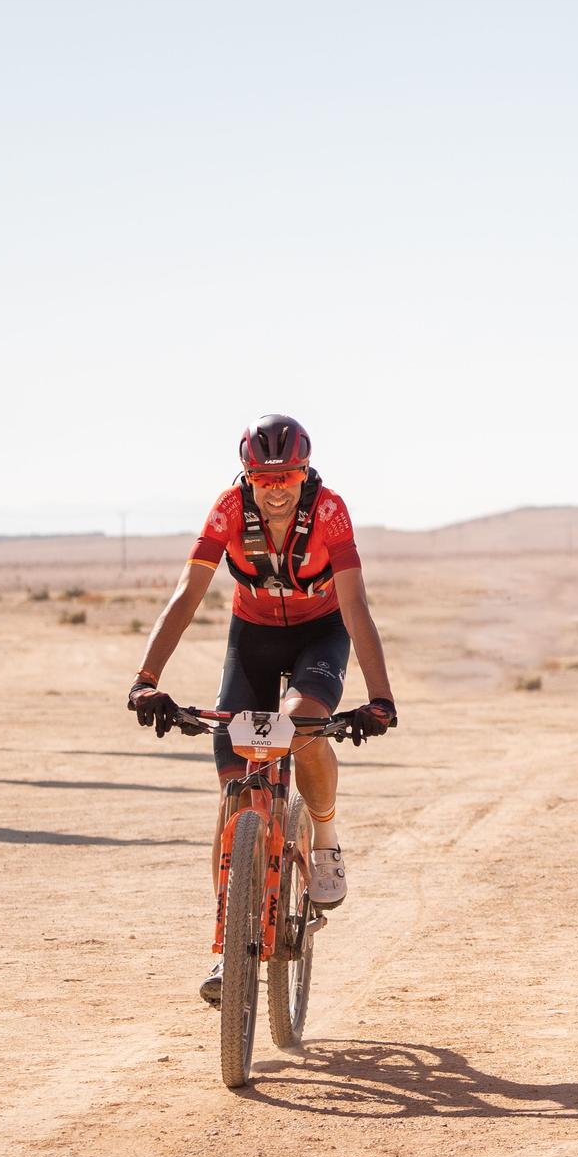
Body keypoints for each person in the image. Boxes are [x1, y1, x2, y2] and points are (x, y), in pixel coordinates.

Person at [128, 414, 398, 1004]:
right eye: (264, 476)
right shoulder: (227, 510)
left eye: (289, 475)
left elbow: (354, 604)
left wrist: (380, 696)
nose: (276, 487)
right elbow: (188, 593)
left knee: (302, 722)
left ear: (305, 472)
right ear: (247, 477)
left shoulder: (329, 511)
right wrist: (147, 679)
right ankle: (230, 949)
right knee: (233, 790)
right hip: (251, 636)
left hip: (320, 634)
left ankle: (324, 835)